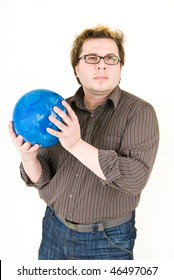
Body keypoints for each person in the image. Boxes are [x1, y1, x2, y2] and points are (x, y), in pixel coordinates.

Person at [8, 25, 159, 260]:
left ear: (120, 68)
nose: (102, 64)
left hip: (108, 241)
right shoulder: (58, 110)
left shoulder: (140, 112)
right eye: (91, 58)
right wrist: (28, 158)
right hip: (53, 231)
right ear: (76, 69)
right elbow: (44, 177)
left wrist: (77, 145)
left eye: (110, 58)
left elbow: (134, 179)